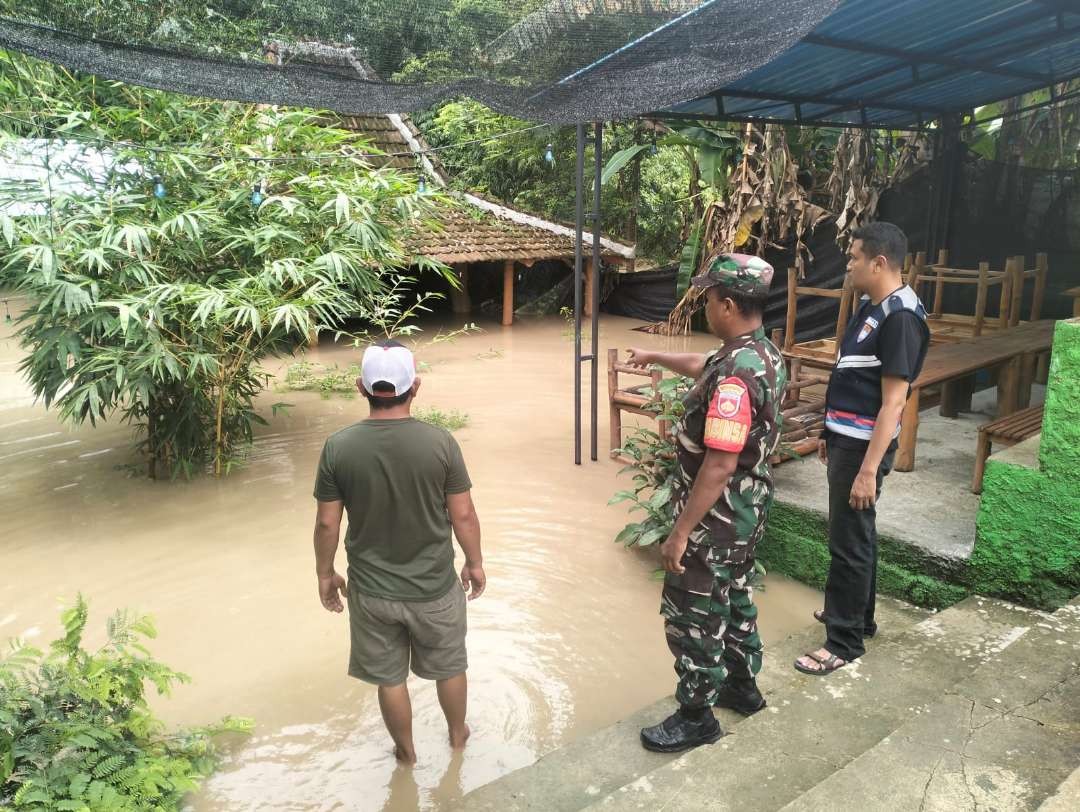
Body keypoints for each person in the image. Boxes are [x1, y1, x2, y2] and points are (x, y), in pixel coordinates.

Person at [628, 254, 786, 753]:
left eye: (710, 299)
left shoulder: (737, 376)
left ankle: (696, 714)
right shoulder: (759, 352)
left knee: (694, 610)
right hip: (747, 510)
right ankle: (742, 687)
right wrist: (656, 357)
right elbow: (704, 365)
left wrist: (679, 533)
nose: (705, 307)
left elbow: (718, 464)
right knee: (736, 596)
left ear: (729, 304)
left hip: (715, 518)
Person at [311, 339, 486, 764]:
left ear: (360, 387)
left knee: (389, 678)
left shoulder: (339, 447)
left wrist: (325, 573)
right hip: (434, 587)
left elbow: (327, 523)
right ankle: (458, 738)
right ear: (416, 387)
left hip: (372, 593)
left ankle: (406, 754)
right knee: (449, 666)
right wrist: (475, 563)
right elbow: (462, 516)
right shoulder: (441, 443)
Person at [795, 222, 929, 676]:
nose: (848, 265)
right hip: (847, 440)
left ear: (879, 262)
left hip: (864, 450)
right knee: (856, 533)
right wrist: (829, 435)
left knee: (847, 541)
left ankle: (843, 641)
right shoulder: (873, 307)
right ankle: (857, 616)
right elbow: (853, 377)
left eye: (853, 257)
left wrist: (869, 469)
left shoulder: (902, 318)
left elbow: (894, 402)